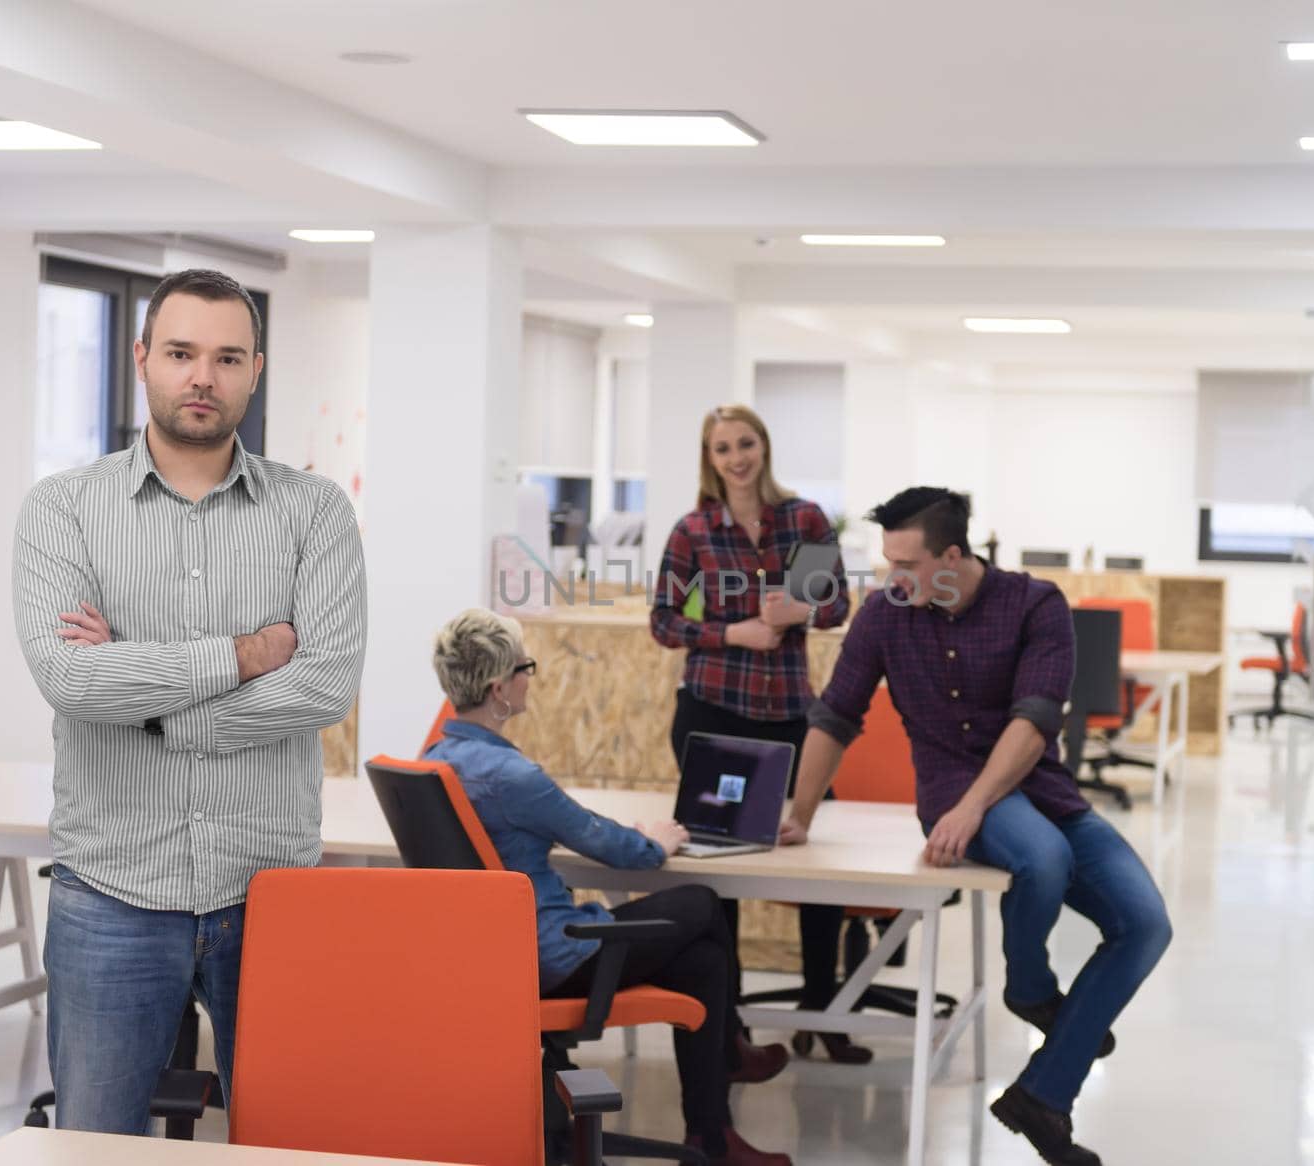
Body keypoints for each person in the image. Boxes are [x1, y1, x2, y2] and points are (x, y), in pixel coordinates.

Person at [11, 268, 368, 1134]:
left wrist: (150, 697)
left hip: (272, 894)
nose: (201, 376)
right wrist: (246, 655)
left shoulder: (314, 513)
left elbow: (324, 685)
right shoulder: (64, 509)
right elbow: (70, 680)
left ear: (255, 369)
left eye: (226, 357)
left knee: (290, 1144)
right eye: (180, 353)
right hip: (112, 892)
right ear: (142, 360)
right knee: (96, 1145)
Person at [777, 487, 1172, 1166]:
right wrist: (799, 814)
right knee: (1042, 858)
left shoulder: (1033, 604)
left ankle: (1041, 1095)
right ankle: (1033, 991)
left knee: (1145, 923)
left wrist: (974, 808)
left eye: (905, 562)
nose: (890, 577)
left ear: (952, 557)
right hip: (950, 788)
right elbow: (837, 715)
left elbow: (1036, 717)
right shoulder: (885, 615)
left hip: (1035, 788)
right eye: (886, 561)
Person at [424, 609, 792, 1166]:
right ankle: (726, 1070)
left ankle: (713, 1134)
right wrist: (658, 840)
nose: (531, 676)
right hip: (556, 957)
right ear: (500, 688)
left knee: (704, 962)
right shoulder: (513, 777)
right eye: (526, 667)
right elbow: (614, 848)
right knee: (702, 903)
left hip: (495, 962)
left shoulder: (435, 761)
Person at [650, 404, 868, 1064]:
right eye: (723, 448)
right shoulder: (695, 529)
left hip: (791, 717)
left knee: (815, 870)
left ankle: (821, 1014)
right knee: (725, 872)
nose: (737, 457)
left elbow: (836, 607)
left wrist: (798, 607)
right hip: (714, 713)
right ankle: (731, 1025)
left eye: (746, 443)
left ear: (764, 447)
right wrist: (731, 631)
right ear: (709, 458)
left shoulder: (800, 520)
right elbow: (663, 620)